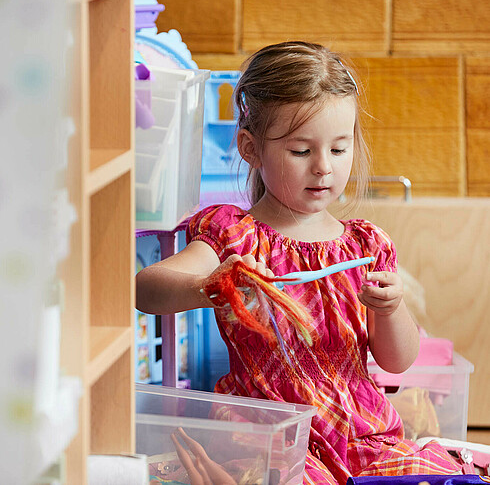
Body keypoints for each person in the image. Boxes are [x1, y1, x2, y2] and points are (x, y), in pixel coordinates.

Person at [136, 41, 461, 484]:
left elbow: (397, 361)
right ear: (251, 149)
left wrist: (389, 308)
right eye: (301, 151)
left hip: (360, 432)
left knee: (428, 473)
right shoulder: (235, 235)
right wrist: (210, 285)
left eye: (339, 149)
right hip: (268, 436)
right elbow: (147, 287)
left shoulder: (365, 245)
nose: (323, 167)